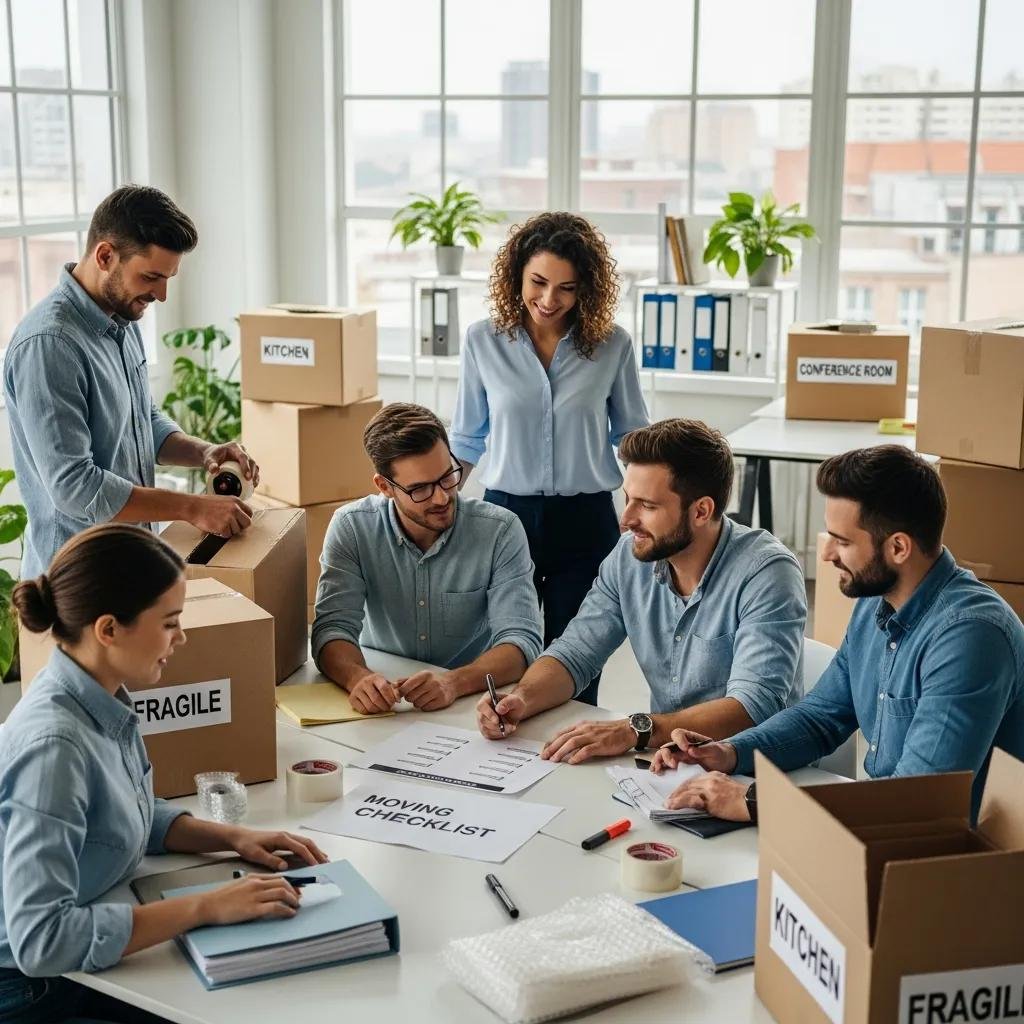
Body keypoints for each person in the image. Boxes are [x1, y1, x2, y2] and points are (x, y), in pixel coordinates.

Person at [0, 524, 327, 1023]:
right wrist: (207, 907)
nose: (182, 637)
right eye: (170, 622)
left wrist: (235, 837)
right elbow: (43, 941)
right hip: (33, 990)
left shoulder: (97, 694)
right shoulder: (54, 748)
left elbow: (126, 814)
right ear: (108, 629)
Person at [654, 445, 1024, 823]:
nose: (826, 553)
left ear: (898, 547)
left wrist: (754, 800)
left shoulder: (970, 637)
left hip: (961, 861)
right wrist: (729, 752)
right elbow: (822, 717)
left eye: (842, 541)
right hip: (886, 835)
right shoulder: (877, 601)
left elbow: (917, 801)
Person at [476, 419, 807, 762]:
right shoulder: (629, 556)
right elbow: (575, 653)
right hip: (669, 764)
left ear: (701, 511)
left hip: (756, 773)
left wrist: (634, 730)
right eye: (627, 500)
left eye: (647, 506)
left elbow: (753, 706)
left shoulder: (767, 573)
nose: (626, 519)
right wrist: (522, 698)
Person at [4, 184, 259, 581]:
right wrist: (191, 507)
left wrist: (203, 451)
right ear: (105, 255)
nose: (160, 294)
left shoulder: (121, 319)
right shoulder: (49, 345)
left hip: (130, 566)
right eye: (152, 276)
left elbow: (142, 423)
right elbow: (74, 486)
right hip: (78, 585)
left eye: (168, 278)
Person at [450, 212, 650, 705]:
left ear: (586, 288)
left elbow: (632, 436)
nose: (549, 300)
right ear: (516, 273)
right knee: (501, 648)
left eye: (566, 287)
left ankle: (571, 760)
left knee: (578, 654)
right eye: (538, 282)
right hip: (504, 517)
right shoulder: (483, 340)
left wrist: (649, 504)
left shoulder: (612, 345)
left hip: (585, 522)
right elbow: (467, 437)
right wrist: (430, 501)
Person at [313, 403, 542, 716]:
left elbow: (521, 641)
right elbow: (331, 629)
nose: (441, 497)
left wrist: (452, 683)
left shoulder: (500, 530)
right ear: (384, 487)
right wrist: (357, 678)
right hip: (383, 701)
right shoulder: (352, 526)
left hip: (469, 703)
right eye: (420, 488)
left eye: (448, 477)